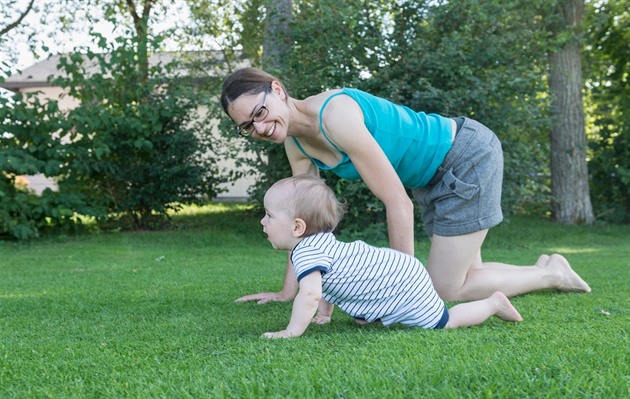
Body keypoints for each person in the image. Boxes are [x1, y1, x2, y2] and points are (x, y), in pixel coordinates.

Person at [221, 67, 592, 303]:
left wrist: (399, 289)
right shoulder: (296, 144)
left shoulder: (336, 116)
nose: (260, 128)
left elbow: (397, 204)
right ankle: (549, 267)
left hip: (464, 157)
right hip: (430, 178)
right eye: (247, 126)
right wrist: (289, 292)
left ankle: (550, 274)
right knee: (465, 278)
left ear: (278, 89)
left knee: (444, 289)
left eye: (260, 112)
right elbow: (303, 223)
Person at [258, 175, 523, 339]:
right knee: (363, 319)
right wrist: (325, 315)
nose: (263, 221)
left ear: (297, 227)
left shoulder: (306, 252)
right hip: (397, 271)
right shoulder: (314, 245)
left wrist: (291, 331)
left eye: (269, 215)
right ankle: (372, 314)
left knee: (443, 322)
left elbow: (310, 294)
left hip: (402, 281)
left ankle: (492, 305)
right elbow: (325, 285)